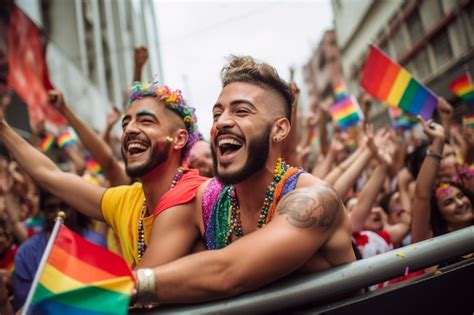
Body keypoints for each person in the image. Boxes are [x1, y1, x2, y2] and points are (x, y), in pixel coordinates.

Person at [134, 55, 356, 306]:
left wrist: (134, 286)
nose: (222, 122)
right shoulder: (202, 200)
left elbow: (228, 272)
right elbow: (148, 272)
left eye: (241, 111)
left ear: (279, 129)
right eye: (217, 114)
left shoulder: (315, 200)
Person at [0, 81, 206, 268]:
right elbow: (49, 174)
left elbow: (139, 285)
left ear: (178, 139)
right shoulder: (128, 200)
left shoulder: (193, 193)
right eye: (125, 124)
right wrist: (3, 127)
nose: (129, 130)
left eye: (145, 121)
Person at [12, 190, 106, 311]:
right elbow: (23, 307)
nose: (59, 213)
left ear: (75, 207)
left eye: (65, 206)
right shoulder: (26, 253)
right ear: (43, 212)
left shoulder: (95, 243)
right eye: (51, 208)